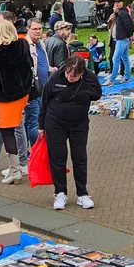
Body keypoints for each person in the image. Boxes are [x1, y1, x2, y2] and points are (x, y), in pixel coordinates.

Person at [40, 55, 103, 210]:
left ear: (82, 73)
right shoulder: (56, 77)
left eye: (74, 76)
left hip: (79, 124)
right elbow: (44, 99)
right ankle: (60, 193)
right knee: (58, 157)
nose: (70, 78)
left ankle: (82, 194)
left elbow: (97, 94)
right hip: (55, 122)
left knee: (79, 157)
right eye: (68, 74)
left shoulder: (90, 79)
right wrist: (41, 125)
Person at [0, 19, 34, 185]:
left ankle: (15, 170)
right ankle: (17, 166)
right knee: (17, 126)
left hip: (7, 97)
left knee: (6, 131)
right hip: (23, 94)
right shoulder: (23, 45)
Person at [25, 18, 50, 145]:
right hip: (33, 89)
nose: (38, 31)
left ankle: (24, 150)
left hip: (43, 89)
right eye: (34, 29)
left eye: (40, 29)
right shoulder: (25, 45)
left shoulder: (42, 43)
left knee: (30, 120)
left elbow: (42, 63)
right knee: (34, 121)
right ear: (28, 29)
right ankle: (35, 150)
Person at [110, 0, 134, 83]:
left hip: (122, 39)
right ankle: (127, 77)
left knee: (115, 58)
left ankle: (112, 79)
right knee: (125, 58)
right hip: (122, 39)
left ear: (121, 3)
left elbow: (129, 24)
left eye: (117, 4)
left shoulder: (123, 13)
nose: (115, 6)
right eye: (115, 4)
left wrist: (130, 35)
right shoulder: (120, 14)